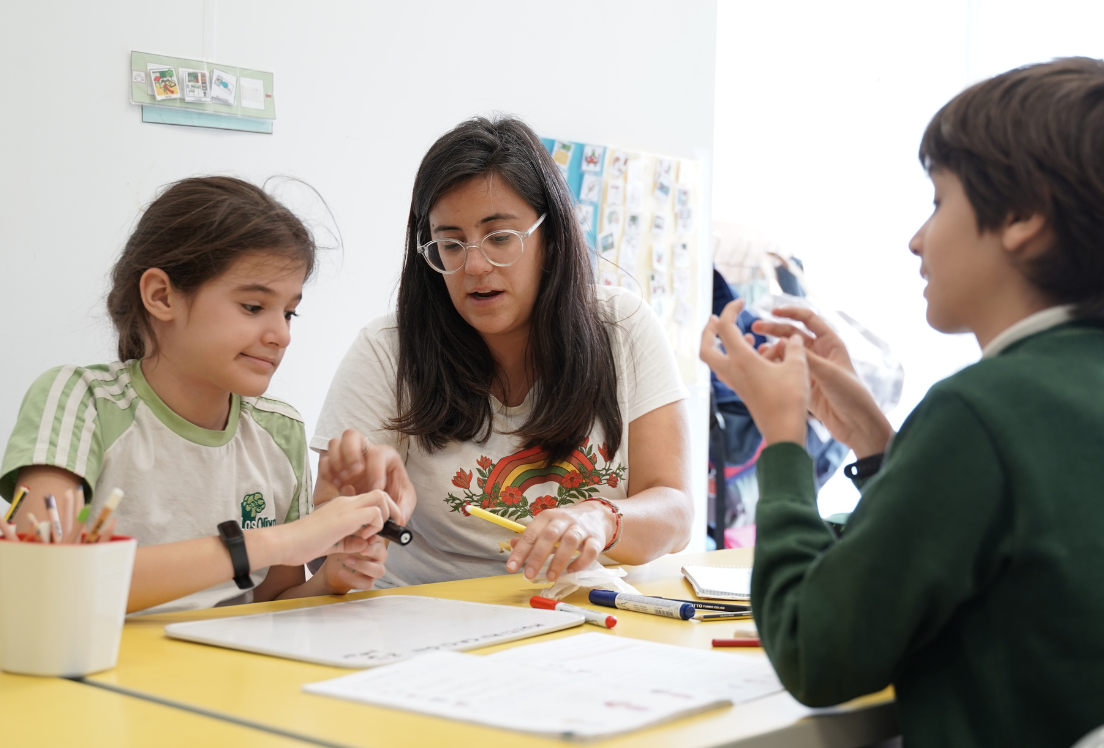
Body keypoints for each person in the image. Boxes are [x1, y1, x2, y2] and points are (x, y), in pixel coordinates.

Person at [700, 58, 1104, 746]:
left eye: (939, 201)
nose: (916, 239)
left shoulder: (981, 411)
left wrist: (785, 442)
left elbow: (813, 650)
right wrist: (876, 442)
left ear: (1024, 215)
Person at [1, 176, 413, 615]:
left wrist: (332, 576)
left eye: (289, 313)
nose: (281, 336)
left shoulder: (279, 430)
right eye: (253, 307)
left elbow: (269, 600)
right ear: (161, 296)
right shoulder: (81, 400)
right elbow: (43, 579)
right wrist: (279, 540)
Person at [313, 116, 694, 587]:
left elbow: (675, 512)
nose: (474, 265)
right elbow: (336, 534)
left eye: (499, 238)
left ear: (550, 237)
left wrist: (601, 518)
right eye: (451, 244)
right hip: (428, 618)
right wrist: (350, 517)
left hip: (585, 613)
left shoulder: (623, 327)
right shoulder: (387, 351)